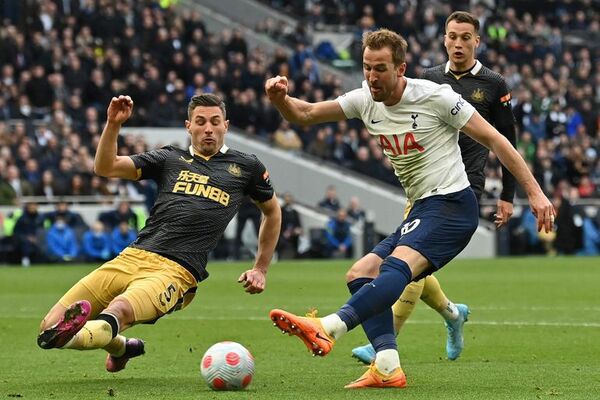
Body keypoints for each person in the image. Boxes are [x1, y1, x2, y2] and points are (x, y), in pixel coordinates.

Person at [264, 28, 554, 389]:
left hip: (452, 205)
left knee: (396, 268)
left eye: (380, 68)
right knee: (359, 274)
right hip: (422, 207)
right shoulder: (364, 99)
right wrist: (280, 99)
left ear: (400, 69)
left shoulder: (436, 97)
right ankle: (387, 366)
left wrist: (535, 194)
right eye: (367, 67)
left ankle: (330, 326)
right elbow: (304, 114)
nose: (371, 76)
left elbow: (496, 138)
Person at [36, 94, 281, 373]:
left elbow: (272, 212)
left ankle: (89, 334)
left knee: (116, 313)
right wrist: (112, 124)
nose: (208, 128)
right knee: (48, 328)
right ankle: (121, 347)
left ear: (226, 125)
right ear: (189, 126)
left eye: (215, 122)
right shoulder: (169, 158)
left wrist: (260, 268)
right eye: (200, 122)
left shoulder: (247, 166)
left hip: (176, 270)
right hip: (131, 256)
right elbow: (105, 167)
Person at [351, 10, 519, 364]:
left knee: (406, 262)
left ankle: (385, 340)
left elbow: (506, 139)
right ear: (444, 39)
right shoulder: (425, 80)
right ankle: (452, 314)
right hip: (422, 187)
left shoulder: (492, 83)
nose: (458, 43)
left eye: (465, 37)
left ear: (477, 41)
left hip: (463, 186)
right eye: (452, 36)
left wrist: (507, 195)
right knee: (414, 264)